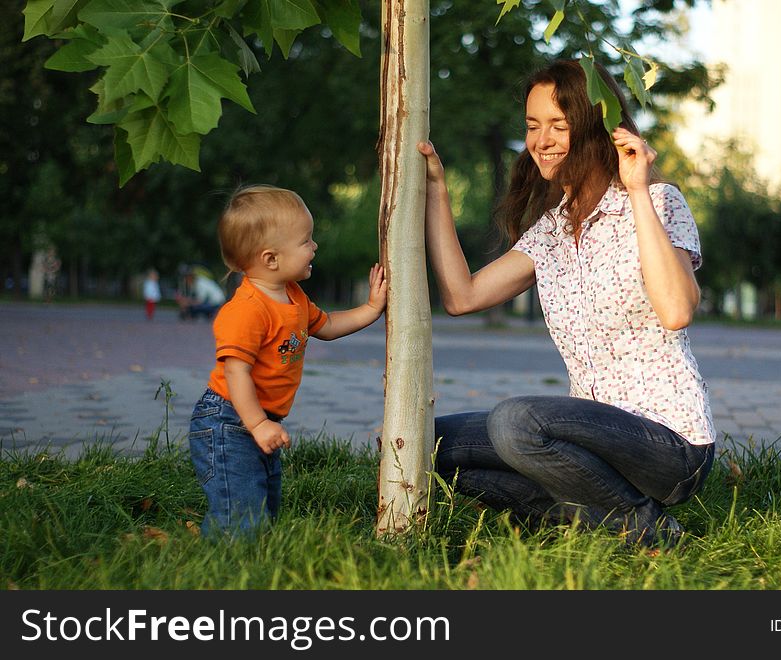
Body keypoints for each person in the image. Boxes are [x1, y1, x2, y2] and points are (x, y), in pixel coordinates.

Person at [418, 59, 715, 547]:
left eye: (559, 125)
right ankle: (585, 516)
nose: (542, 140)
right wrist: (436, 190)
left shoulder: (659, 202)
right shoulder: (552, 231)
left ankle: (645, 525)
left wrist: (637, 189)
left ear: (597, 128)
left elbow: (677, 309)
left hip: (668, 445)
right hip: (585, 443)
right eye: (533, 126)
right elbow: (461, 296)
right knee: (426, 443)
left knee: (516, 421)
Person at [188, 184, 387, 536]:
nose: (314, 246)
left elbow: (326, 325)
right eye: (306, 240)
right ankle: (227, 568)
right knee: (240, 508)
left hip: (258, 419)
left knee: (265, 501)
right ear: (270, 258)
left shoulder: (293, 296)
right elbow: (236, 374)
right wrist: (258, 425)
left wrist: (371, 309)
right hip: (228, 420)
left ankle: (257, 556)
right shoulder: (247, 310)